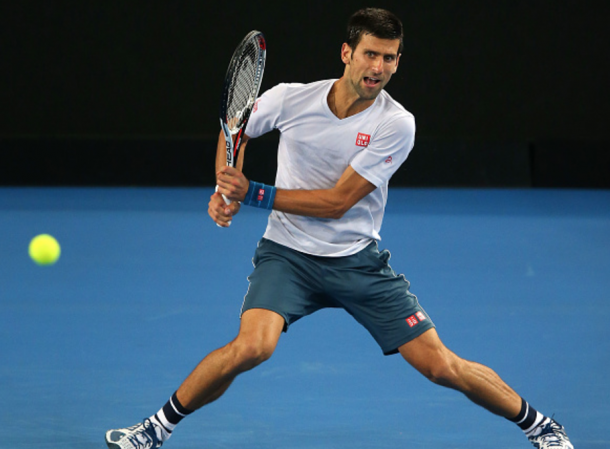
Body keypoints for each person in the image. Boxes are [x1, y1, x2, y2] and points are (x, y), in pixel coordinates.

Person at [105, 8, 574, 449]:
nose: (380, 67)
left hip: (358, 263)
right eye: (371, 53)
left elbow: (336, 203)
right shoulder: (291, 98)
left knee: (441, 367)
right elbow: (237, 128)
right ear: (347, 53)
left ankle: (542, 426)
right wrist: (225, 187)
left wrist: (251, 193)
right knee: (252, 347)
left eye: (390, 57)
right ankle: (153, 430)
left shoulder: (396, 123)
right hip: (287, 255)